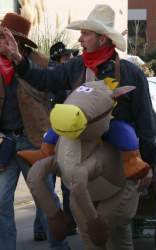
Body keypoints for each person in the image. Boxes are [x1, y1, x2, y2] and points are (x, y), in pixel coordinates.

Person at [1, 4, 156, 249]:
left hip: (117, 165)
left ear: (102, 38)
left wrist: (147, 166)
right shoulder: (75, 67)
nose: (80, 38)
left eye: (86, 34)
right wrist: (19, 60)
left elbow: (146, 123)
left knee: (118, 235)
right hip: (79, 161)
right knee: (88, 234)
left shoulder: (130, 74)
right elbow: (45, 80)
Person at [0, 13, 70, 250]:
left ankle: (59, 247)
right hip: (5, 143)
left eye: (3, 36)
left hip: (35, 141)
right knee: (1, 201)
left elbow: (55, 96)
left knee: (46, 200)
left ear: (17, 40)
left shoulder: (39, 64)